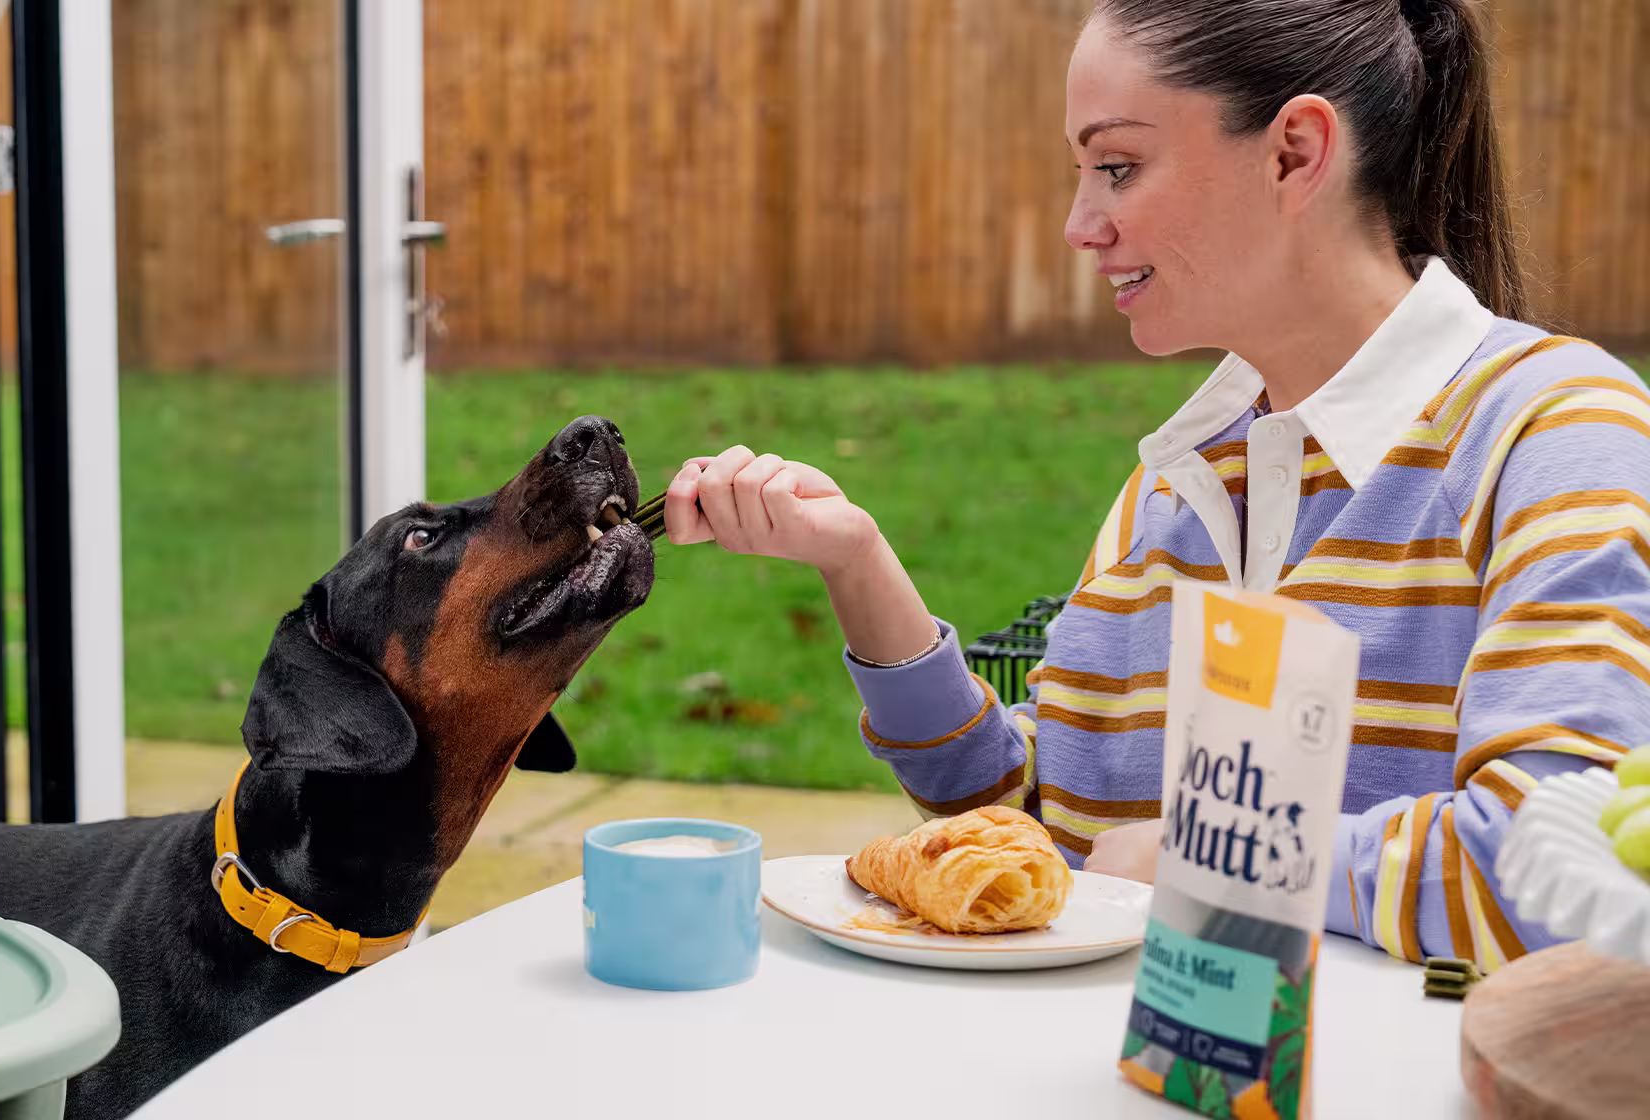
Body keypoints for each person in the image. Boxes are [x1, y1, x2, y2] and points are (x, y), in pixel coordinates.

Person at [663, 0, 1648, 970]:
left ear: (1294, 153)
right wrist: (855, 560)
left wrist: (1216, 863)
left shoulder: (1552, 432)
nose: (1076, 225)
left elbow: (1563, 877)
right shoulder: (1184, 476)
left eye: (1117, 168)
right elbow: (1028, 831)